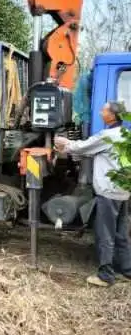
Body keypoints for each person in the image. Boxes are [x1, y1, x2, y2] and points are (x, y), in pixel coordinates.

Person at [55, 101, 131, 287]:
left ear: (112, 116)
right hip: (122, 192)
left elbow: (83, 147)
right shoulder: (126, 134)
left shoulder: (107, 136)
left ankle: (106, 275)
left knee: (105, 233)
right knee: (121, 233)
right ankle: (127, 271)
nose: (100, 112)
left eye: (103, 110)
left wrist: (65, 143)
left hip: (107, 192)